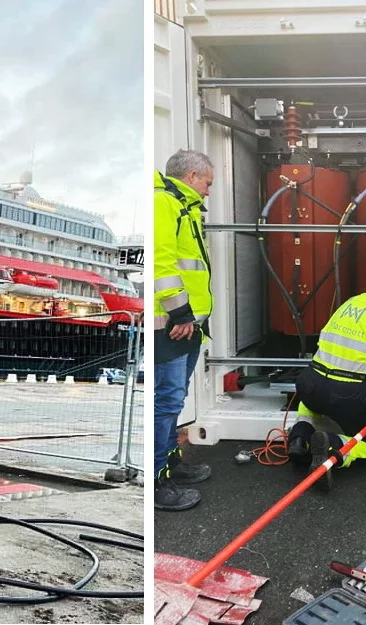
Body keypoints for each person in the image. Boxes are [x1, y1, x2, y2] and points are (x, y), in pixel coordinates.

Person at [287, 262, 366, 491]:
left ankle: (299, 439)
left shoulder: (352, 301)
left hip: (310, 381)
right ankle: (334, 445)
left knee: (310, 404)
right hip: (346, 394)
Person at [153, 149, 215, 511]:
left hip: (188, 326)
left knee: (174, 399)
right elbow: (162, 264)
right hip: (174, 327)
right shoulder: (165, 204)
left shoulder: (184, 207)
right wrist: (180, 315)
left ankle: (171, 462)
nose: (208, 191)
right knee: (167, 401)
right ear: (192, 176)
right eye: (207, 183)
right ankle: (159, 479)